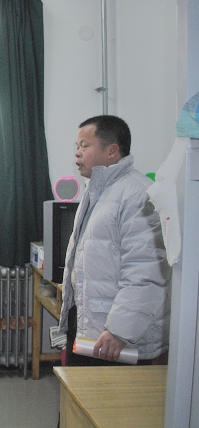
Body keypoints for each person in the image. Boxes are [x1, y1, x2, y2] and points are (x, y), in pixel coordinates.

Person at [57, 115, 170, 366]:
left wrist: (119, 331)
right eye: (76, 146)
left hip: (116, 338)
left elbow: (146, 272)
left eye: (85, 146)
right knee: (78, 390)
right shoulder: (97, 192)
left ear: (112, 151)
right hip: (91, 326)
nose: (77, 153)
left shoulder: (139, 194)